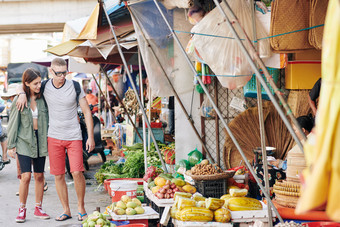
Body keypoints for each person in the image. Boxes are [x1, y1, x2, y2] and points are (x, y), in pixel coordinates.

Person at [16, 58, 95, 222]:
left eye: (64, 73)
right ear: (51, 72)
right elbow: (26, 84)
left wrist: (91, 137)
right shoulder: (44, 86)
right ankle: (66, 210)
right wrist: (22, 93)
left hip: (74, 136)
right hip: (53, 137)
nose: (62, 76)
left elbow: (87, 112)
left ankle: (81, 208)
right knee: (58, 175)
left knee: (77, 172)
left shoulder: (75, 86)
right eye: (59, 73)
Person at [7, 68, 50, 223]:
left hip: (40, 140)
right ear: (27, 83)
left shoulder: (43, 98)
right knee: (26, 176)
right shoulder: (19, 101)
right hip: (24, 140)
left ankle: (38, 208)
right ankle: (22, 209)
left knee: (39, 175)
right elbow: (13, 123)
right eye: (35, 83)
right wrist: (10, 146)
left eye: (39, 82)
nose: (39, 86)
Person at [251, 114, 315, 199]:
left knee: (267, 172)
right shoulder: (303, 142)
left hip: (295, 176)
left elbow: (298, 166)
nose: (293, 133)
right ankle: (265, 198)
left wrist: (280, 164)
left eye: (295, 130)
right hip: (289, 171)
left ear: (303, 130)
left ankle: (269, 199)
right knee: (259, 167)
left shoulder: (308, 143)